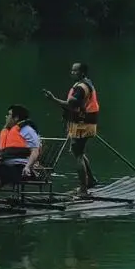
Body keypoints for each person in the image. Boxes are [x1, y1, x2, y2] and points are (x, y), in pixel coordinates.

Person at [51, 62, 101, 191]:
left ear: (82, 73)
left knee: (78, 154)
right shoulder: (86, 83)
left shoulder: (80, 88)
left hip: (82, 124)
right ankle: (91, 180)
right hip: (85, 122)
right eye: (72, 70)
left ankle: (83, 188)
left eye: (75, 71)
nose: (72, 73)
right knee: (79, 152)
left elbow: (70, 105)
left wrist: (53, 99)